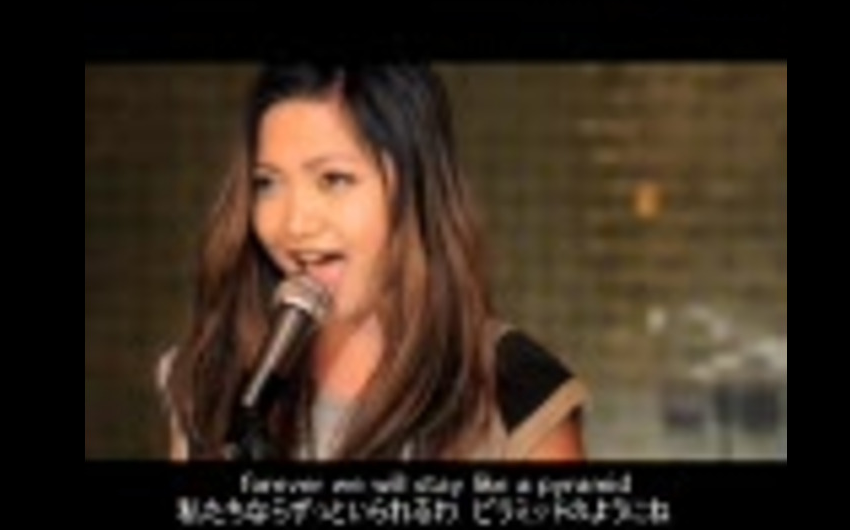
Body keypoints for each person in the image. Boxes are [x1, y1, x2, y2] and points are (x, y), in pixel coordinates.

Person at [157, 64, 589, 460]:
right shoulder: (211, 380)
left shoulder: (515, 391)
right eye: (267, 183)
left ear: (418, 189)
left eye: (334, 179)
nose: (294, 224)